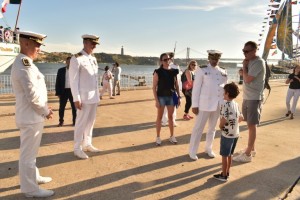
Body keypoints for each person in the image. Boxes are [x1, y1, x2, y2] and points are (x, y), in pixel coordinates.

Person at [10, 31, 54, 198]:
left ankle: (34, 177)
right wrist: (46, 111)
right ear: (26, 43)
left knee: (30, 153)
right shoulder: (24, 64)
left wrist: (44, 107)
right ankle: (30, 189)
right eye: (37, 44)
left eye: (40, 45)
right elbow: (32, 96)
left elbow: (35, 93)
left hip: (31, 116)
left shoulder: (26, 63)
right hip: (31, 117)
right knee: (28, 155)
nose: (39, 48)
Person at [188, 50, 227, 160]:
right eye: (212, 59)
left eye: (216, 59)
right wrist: (195, 105)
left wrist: (224, 104)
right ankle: (192, 151)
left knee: (212, 128)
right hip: (204, 104)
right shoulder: (202, 69)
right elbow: (196, 88)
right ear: (209, 59)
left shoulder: (223, 71)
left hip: (217, 104)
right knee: (198, 128)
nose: (214, 61)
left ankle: (208, 148)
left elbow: (224, 89)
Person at [69, 34, 101, 159]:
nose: (94, 46)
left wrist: (98, 95)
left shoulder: (93, 58)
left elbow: (94, 79)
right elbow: (73, 81)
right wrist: (76, 98)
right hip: (83, 98)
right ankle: (77, 148)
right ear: (85, 43)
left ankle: (88, 143)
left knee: (90, 122)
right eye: (92, 43)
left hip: (94, 97)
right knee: (81, 123)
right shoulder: (76, 58)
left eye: (95, 44)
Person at [233, 41, 266, 163]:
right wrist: (244, 70)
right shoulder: (250, 61)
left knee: (252, 126)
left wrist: (244, 67)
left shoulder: (258, 62)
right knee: (249, 124)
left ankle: (247, 155)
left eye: (246, 51)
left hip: (254, 98)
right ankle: (251, 149)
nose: (244, 53)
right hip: (248, 97)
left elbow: (246, 78)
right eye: (243, 51)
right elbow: (242, 74)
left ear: (254, 51)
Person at [213, 82, 243, 182]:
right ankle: (227, 172)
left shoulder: (225, 105)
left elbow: (223, 120)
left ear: (228, 93)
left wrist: (220, 126)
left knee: (224, 155)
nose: (223, 94)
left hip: (227, 134)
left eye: (224, 92)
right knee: (230, 154)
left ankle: (224, 175)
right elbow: (241, 118)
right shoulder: (236, 104)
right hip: (235, 133)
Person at [153, 52, 181, 146]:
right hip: (161, 97)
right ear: (161, 61)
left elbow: (176, 85)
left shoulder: (174, 71)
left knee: (171, 117)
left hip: (171, 96)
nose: (167, 61)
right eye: (165, 59)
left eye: (169, 59)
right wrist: (156, 100)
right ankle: (158, 137)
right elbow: (154, 87)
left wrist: (179, 96)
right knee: (159, 117)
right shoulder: (158, 72)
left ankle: (172, 136)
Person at [55, 56, 77, 126]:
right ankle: (61, 121)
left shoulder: (75, 71)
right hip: (63, 91)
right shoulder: (60, 70)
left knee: (74, 108)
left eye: (71, 61)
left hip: (72, 91)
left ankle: (74, 122)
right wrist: (58, 92)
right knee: (61, 107)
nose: (70, 62)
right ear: (66, 62)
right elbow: (57, 82)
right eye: (68, 61)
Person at [161, 52, 180, 126]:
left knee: (174, 106)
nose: (169, 59)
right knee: (165, 107)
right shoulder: (162, 67)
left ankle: (172, 120)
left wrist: (178, 92)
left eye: (170, 58)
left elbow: (177, 80)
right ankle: (165, 121)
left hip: (173, 90)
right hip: (164, 90)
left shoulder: (175, 67)